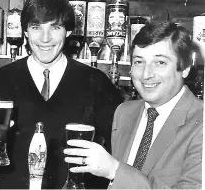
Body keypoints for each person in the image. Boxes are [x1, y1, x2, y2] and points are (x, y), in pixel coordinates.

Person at [0, 0, 123, 189]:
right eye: (36, 27)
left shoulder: (97, 82)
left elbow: (112, 155)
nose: (45, 38)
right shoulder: (2, 79)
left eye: (55, 28)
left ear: (68, 31)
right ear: (25, 31)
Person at [63, 22, 203, 189]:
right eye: (139, 62)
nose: (146, 74)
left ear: (185, 68)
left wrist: (115, 171)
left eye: (160, 63)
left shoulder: (200, 122)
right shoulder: (124, 112)